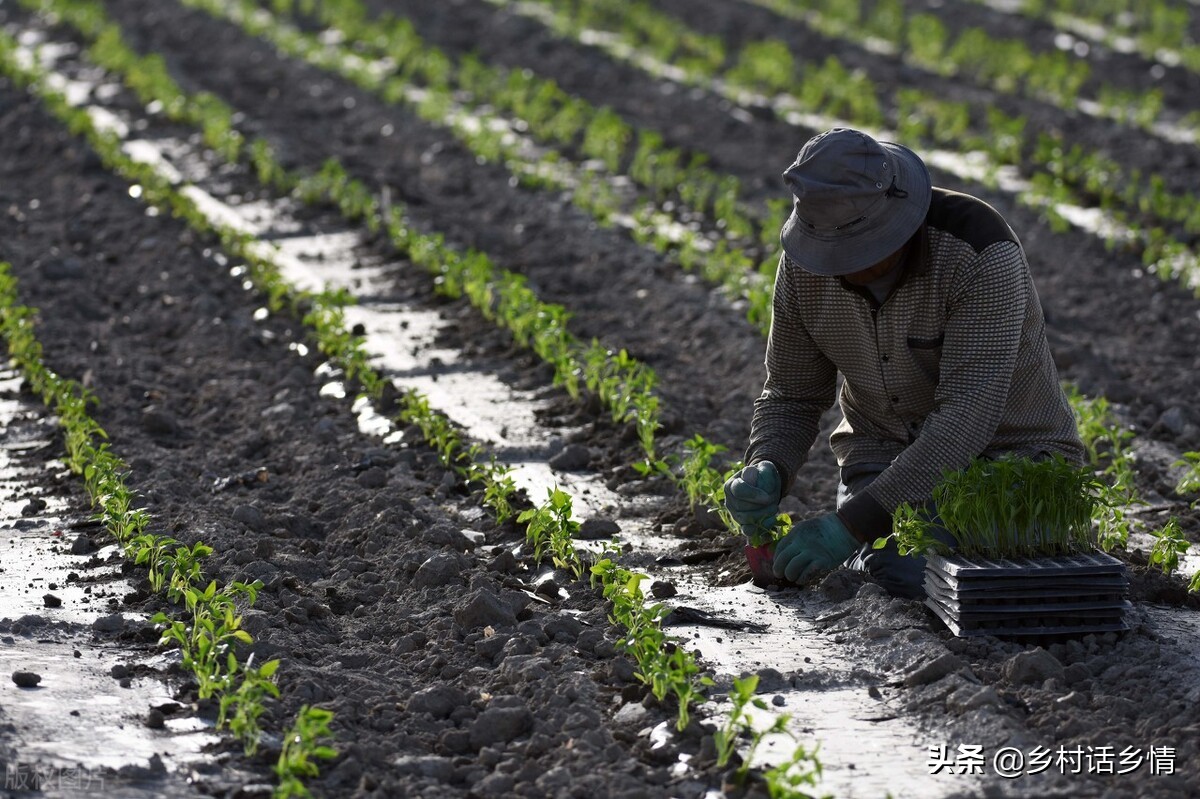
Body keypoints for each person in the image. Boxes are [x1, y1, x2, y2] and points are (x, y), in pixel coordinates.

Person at [723, 128, 1085, 598]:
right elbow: (792, 395)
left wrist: (850, 527)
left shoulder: (977, 251)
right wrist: (768, 463)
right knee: (893, 570)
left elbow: (964, 419)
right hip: (882, 455)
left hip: (1010, 461)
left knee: (925, 571)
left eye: (860, 248)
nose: (843, 266)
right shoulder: (805, 266)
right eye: (832, 252)